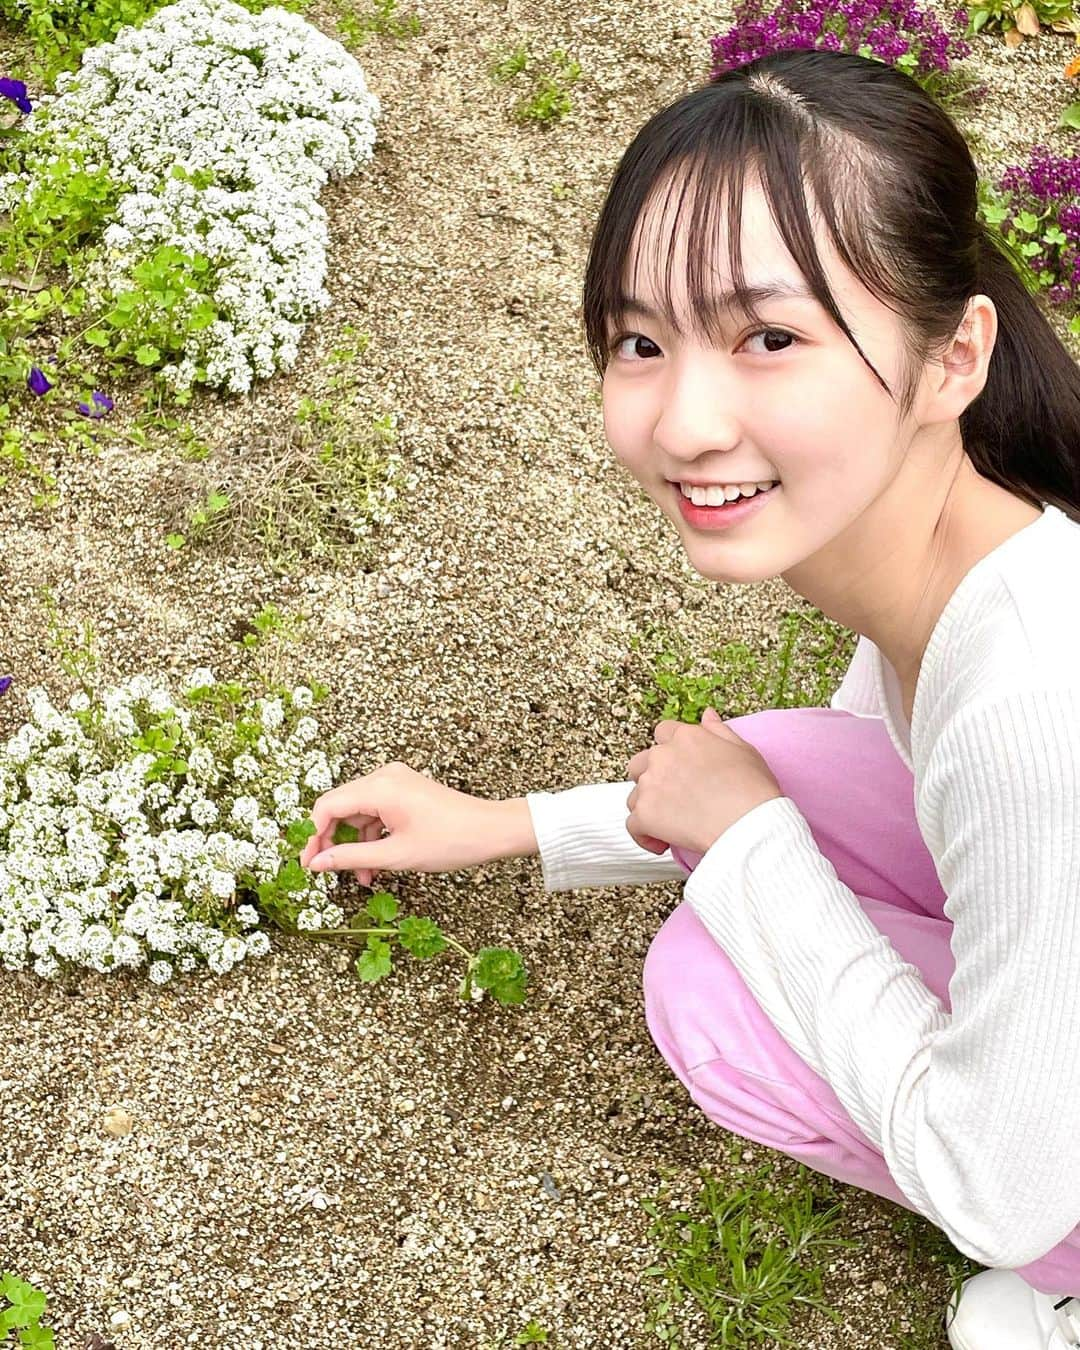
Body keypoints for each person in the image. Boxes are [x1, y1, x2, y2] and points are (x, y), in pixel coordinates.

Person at [300, 47, 1080, 1350]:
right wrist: (510, 827)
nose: (684, 420)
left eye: (769, 337)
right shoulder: (966, 545)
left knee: (713, 985)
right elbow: (821, 780)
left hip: (1032, 1171)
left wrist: (752, 849)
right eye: (640, 341)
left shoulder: (1030, 703)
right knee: (796, 761)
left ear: (954, 360)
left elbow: (998, 1192)